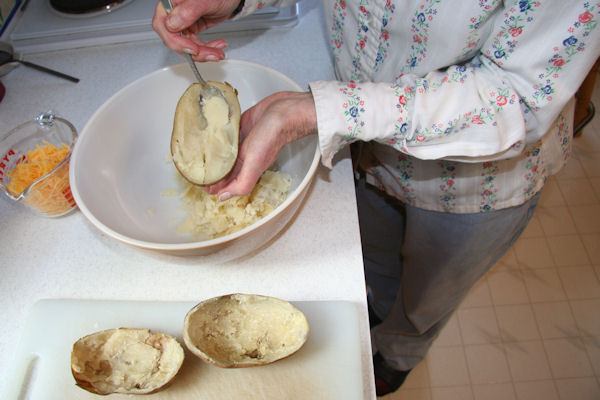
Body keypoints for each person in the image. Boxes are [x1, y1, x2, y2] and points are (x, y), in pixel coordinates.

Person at [153, 0, 600, 396]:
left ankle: (400, 351)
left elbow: (518, 98)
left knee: (429, 292)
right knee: (379, 258)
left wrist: (323, 111)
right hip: (366, 148)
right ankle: (380, 308)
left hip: (477, 181)